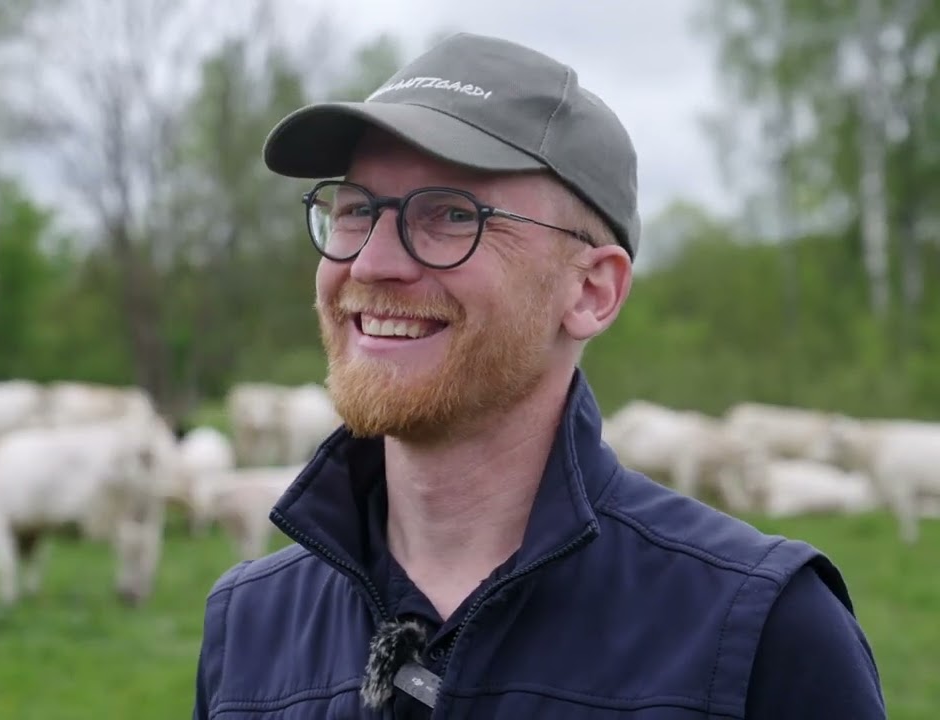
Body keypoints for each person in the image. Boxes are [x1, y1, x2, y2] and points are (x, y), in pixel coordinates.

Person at [191, 32, 886, 719]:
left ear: (592, 292)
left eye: (451, 216)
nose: (372, 264)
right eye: (355, 211)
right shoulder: (249, 628)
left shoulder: (759, 633)